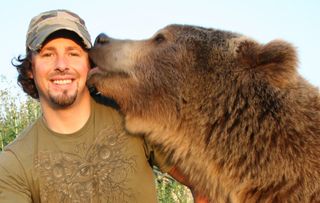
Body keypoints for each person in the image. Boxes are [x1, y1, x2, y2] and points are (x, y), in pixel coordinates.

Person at [0, 9, 207, 202]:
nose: (62, 65)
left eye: (73, 53)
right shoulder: (13, 164)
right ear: (30, 68)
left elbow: (206, 184)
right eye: (48, 54)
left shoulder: (133, 115)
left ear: (89, 63)